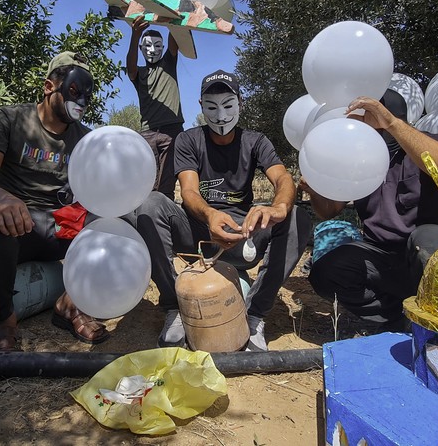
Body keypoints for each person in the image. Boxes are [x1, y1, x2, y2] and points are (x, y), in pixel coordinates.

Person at [128, 70, 312, 351]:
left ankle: (253, 316)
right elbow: (188, 192)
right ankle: (175, 306)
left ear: (240, 102)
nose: (221, 115)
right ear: (201, 107)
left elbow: (283, 178)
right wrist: (211, 215)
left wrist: (279, 207)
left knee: (298, 215)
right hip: (198, 233)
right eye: (212, 107)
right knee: (150, 204)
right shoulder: (189, 140)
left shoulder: (256, 141)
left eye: (228, 105)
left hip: (244, 234)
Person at [0, 51, 110, 351]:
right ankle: (4, 321)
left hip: (61, 228)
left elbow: (98, 192)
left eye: (87, 93)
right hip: (18, 228)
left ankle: (72, 304)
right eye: (74, 90)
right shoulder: (9, 119)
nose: (81, 100)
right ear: (49, 87)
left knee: (111, 221)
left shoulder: (86, 138)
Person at [300, 89, 438, 330]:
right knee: (328, 270)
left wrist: (391, 124)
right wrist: (316, 189)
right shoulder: (357, 159)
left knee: (426, 237)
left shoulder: (429, 144)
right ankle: (399, 323)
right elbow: (329, 212)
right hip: (385, 258)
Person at [125, 0, 184, 200]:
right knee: (148, 184)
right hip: (148, 132)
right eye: (147, 46)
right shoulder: (138, 72)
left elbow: (177, 30)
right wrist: (134, 34)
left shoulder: (169, 61)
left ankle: (166, 222)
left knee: (167, 185)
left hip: (172, 130)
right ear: (141, 49)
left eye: (157, 45)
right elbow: (129, 65)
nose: (152, 50)